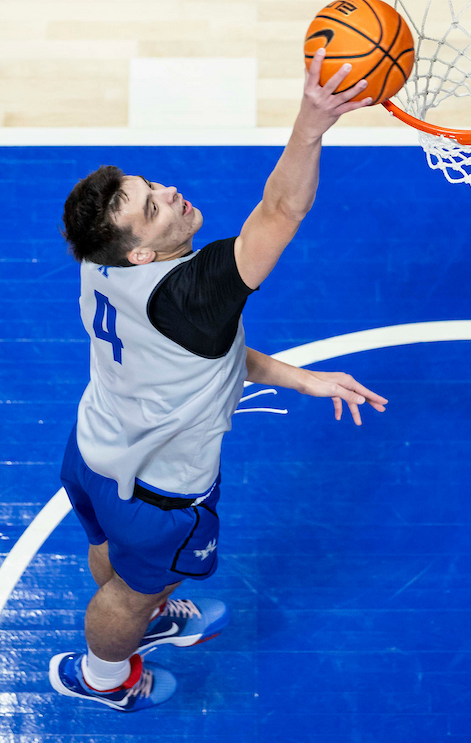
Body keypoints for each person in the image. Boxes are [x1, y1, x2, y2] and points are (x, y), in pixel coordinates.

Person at [49, 50, 389, 712]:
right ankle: (103, 677)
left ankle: (145, 609)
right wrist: (312, 121)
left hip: (91, 451)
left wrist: (299, 379)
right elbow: (281, 211)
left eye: (154, 186)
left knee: (114, 557)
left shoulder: (99, 262)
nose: (171, 194)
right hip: (157, 499)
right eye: (154, 207)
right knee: (132, 592)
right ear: (142, 251)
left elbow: (199, 354)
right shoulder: (190, 294)